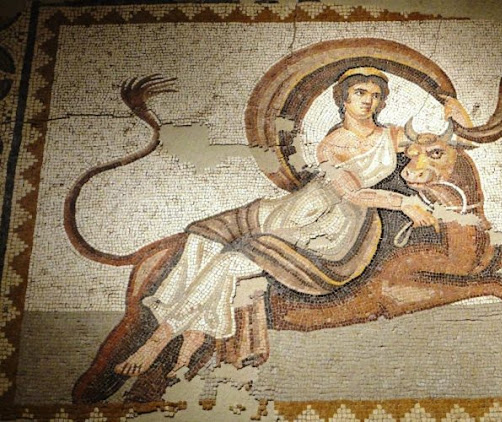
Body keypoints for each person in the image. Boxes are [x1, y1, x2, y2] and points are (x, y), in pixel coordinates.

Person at [114, 67, 441, 378]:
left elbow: (438, 140)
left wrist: (454, 111)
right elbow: (348, 190)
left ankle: (157, 341)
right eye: (360, 92)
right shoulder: (331, 145)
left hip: (331, 229)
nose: (368, 100)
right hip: (302, 210)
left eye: (375, 95)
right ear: (343, 98)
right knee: (203, 238)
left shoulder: (392, 136)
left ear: (382, 102)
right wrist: (403, 202)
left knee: (229, 264)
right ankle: (193, 337)